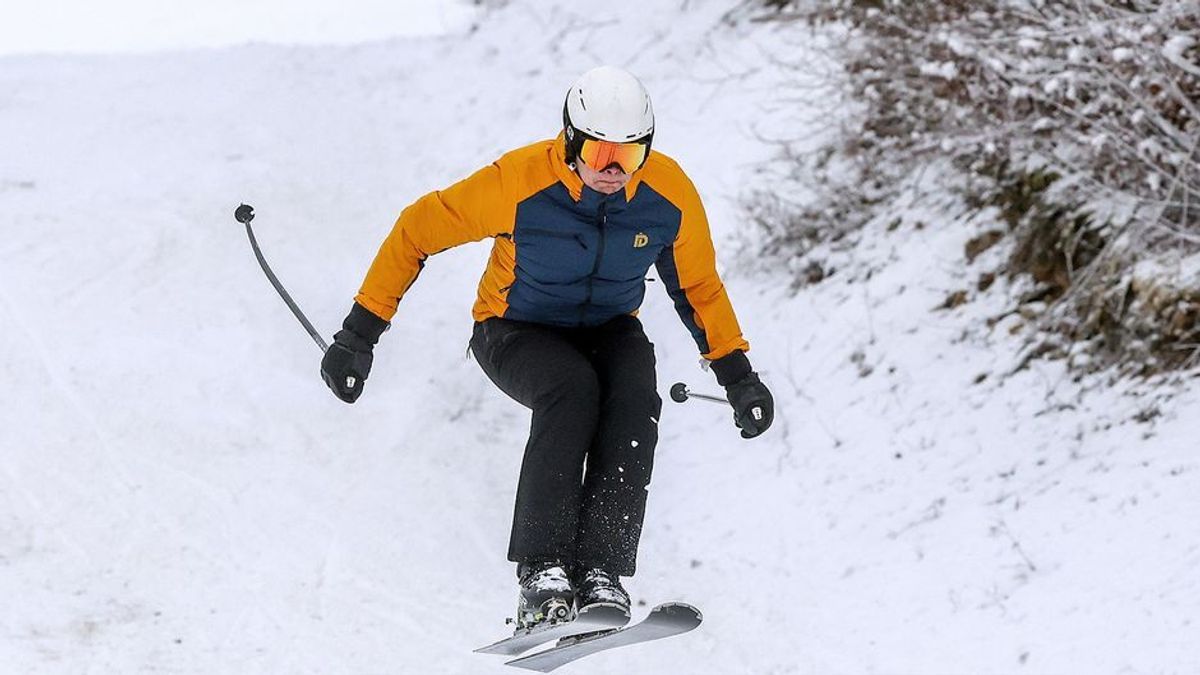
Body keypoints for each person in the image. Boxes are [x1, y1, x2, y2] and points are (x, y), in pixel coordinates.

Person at [320, 66, 774, 628]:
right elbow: (417, 229)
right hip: (512, 327)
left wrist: (740, 378)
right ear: (569, 139)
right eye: (597, 151)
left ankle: (600, 571)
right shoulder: (519, 182)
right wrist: (358, 336)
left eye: (628, 157)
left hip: (606, 327)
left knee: (634, 393)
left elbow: (698, 287)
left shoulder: (668, 196)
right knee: (571, 389)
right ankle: (542, 573)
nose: (611, 169)